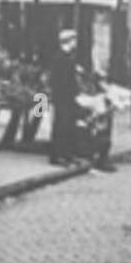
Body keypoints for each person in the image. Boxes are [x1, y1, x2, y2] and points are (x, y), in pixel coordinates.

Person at [49, 29, 82, 166]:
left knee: (69, 126)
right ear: (68, 41)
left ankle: (67, 154)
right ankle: (57, 156)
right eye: (74, 40)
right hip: (62, 98)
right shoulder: (60, 58)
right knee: (61, 126)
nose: (76, 43)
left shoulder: (68, 57)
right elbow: (59, 81)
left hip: (69, 98)